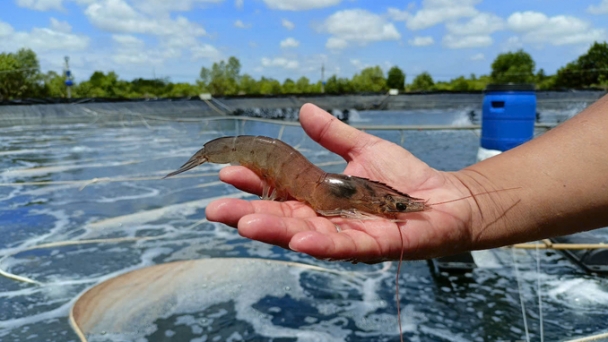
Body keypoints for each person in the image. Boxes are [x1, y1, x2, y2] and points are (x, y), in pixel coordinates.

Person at [205, 95, 608, 263]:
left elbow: (358, 197)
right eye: (397, 205)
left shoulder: (350, 193)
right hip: (274, 161)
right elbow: (348, 198)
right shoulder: (337, 194)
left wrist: (470, 201)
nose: (399, 209)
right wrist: (474, 198)